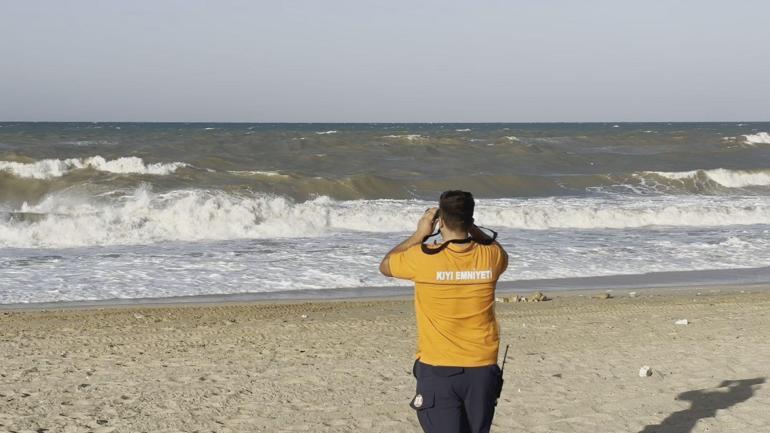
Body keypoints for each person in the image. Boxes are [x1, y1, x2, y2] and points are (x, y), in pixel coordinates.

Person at [379, 190, 509, 433]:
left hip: (439, 367)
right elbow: (497, 249)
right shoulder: (491, 257)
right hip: (481, 368)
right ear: (470, 220)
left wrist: (420, 234)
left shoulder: (422, 258)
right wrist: (472, 228)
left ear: (440, 221)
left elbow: (386, 265)